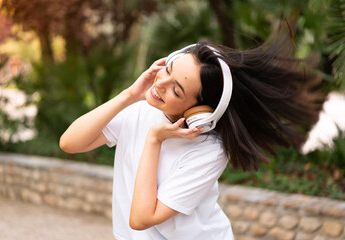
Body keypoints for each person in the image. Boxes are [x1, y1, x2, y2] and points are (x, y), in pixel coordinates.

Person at [59, 37, 324, 239]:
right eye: (168, 69)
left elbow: (142, 217)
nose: (160, 85)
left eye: (176, 89)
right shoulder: (140, 109)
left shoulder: (209, 150)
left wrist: (154, 139)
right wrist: (130, 94)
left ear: (200, 112)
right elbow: (70, 143)